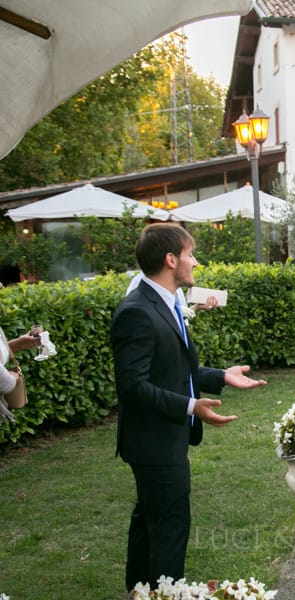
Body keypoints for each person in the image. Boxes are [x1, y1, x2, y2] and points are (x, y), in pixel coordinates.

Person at [111, 223, 266, 592]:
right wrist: (190, 406)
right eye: (190, 254)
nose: (195, 262)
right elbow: (132, 387)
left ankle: (140, 592)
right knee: (169, 528)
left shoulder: (165, 302)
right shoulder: (137, 311)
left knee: (149, 521)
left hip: (164, 438)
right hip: (153, 441)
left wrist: (222, 376)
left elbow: (175, 368)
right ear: (170, 260)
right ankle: (165, 594)